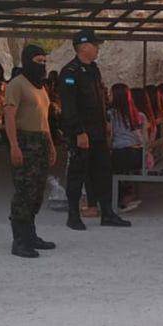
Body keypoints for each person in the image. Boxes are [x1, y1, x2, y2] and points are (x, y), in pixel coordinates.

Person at [59, 30, 130, 229]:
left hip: (98, 131)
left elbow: (100, 100)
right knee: (78, 174)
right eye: (94, 44)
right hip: (82, 133)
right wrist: (78, 131)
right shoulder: (70, 72)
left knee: (103, 172)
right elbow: (69, 106)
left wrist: (106, 121)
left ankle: (107, 212)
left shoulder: (94, 70)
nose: (98, 48)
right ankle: (73, 215)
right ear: (83, 47)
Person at [0, 44, 55, 258]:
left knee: (37, 191)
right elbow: (9, 116)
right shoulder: (17, 85)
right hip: (24, 140)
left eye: (44, 61)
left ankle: (31, 235)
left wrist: (50, 143)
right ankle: (19, 240)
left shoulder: (40, 86)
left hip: (40, 141)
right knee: (24, 191)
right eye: (38, 61)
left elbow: (44, 118)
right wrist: (14, 146)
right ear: (28, 61)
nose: (42, 65)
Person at [107, 82, 147, 212]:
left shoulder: (111, 114)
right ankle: (127, 194)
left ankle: (118, 199)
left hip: (121, 155)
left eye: (110, 94)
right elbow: (143, 139)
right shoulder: (139, 115)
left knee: (106, 165)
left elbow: (110, 137)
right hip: (137, 155)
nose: (108, 96)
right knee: (122, 166)